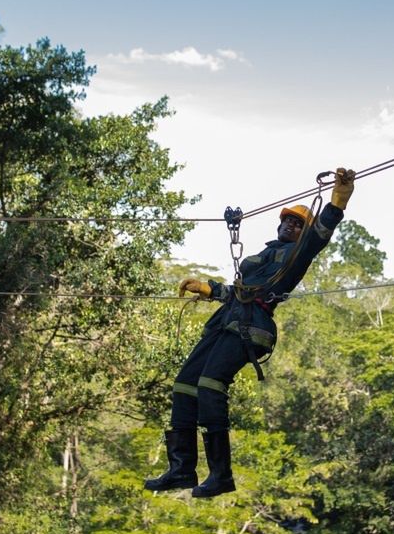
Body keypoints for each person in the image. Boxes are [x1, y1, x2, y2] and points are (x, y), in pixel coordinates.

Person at [145, 167, 357, 498]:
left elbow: (321, 234)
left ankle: (221, 475)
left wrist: (338, 202)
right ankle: (182, 469)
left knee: (211, 385)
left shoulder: (296, 254)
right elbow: (240, 291)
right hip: (227, 320)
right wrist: (208, 288)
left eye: (298, 223)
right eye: (287, 220)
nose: (291, 225)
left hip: (251, 326)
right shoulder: (266, 253)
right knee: (185, 385)